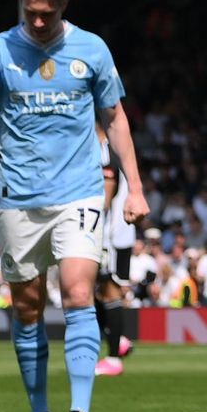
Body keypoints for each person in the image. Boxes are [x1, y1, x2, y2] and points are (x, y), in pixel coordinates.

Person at [0, 0, 147, 412]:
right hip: (17, 198)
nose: (38, 21)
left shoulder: (91, 48)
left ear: (64, 3)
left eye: (47, 11)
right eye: (31, 11)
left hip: (78, 193)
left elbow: (116, 120)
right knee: (28, 306)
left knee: (79, 293)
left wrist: (135, 186)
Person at [94, 122, 137, 377]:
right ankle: (116, 338)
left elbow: (108, 186)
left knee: (109, 289)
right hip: (109, 229)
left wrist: (96, 222)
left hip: (110, 232)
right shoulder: (101, 146)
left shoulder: (106, 148)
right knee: (90, 289)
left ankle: (113, 358)